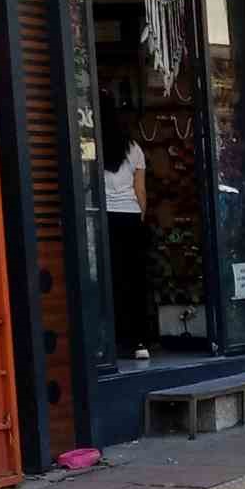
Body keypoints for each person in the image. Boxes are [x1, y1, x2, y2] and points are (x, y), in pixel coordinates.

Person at [102, 97, 151, 361]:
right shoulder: (134, 149)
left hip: (104, 218)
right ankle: (139, 341)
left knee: (110, 279)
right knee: (134, 280)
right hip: (130, 217)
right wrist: (141, 213)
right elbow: (140, 189)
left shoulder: (94, 146)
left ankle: (112, 339)